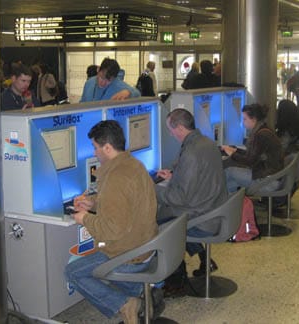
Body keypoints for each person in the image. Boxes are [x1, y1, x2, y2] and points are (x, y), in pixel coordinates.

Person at [64, 120, 158, 324]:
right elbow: (124, 204)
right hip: (146, 247)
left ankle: (124, 304)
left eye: (95, 147)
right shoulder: (133, 165)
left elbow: (112, 230)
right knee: (96, 262)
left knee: (73, 272)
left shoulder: (116, 176)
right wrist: (93, 203)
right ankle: (141, 292)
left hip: (129, 255)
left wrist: (84, 218)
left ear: (107, 147)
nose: (94, 152)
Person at [155, 109, 228, 291]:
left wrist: (150, 189)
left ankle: (176, 282)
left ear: (179, 128)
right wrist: (174, 175)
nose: (170, 134)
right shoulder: (206, 143)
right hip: (215, 208)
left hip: (204, 216)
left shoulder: (191, 152)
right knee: (174, 217)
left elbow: (179, 197)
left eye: (170, 129)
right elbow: (200, 176)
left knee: (161, 221)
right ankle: (204, 259)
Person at [222, 103, 284, 193]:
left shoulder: (261, 135)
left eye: (244, 119)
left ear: (254, 119)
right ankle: (230, 203)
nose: (243, 122)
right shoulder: (264, 129)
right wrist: (235, 150)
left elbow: (250, 161)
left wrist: (232, 154)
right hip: (273, 177)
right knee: (232, 181)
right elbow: (254, 154)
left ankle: (225, 203)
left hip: (268, 181)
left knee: (228, 172)